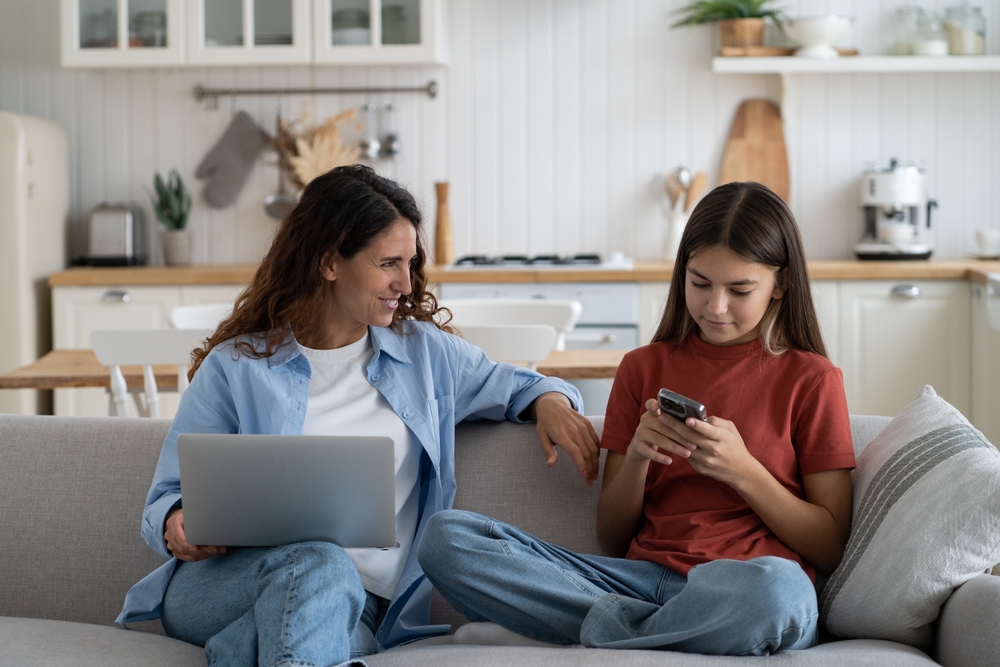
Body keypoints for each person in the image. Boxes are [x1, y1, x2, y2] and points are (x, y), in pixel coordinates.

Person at [115, 164, 601, 667]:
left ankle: (240, 651)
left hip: (364, 607)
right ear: (329, 262)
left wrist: (552, 403)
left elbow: (523, 384)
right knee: (322, 563)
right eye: (388, 263)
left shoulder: (426, 357)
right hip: (229, 583)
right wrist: (177, 523)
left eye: (410, 263)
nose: (406, 284)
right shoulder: (236, 367)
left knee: (323, 626)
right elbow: (166, 498)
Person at [417, 181, 857, 656]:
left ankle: (576, 632)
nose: (715, 306)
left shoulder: (813, 379)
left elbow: (829, 545)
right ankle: (643, 632)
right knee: (445, 539)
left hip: (745, 587)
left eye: (740, 289)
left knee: (782, 592)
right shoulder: (642, 367)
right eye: (700, 283)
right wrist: (641, 458)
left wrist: (744, 471)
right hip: (638, 582)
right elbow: (611, 536)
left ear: (782, 284)